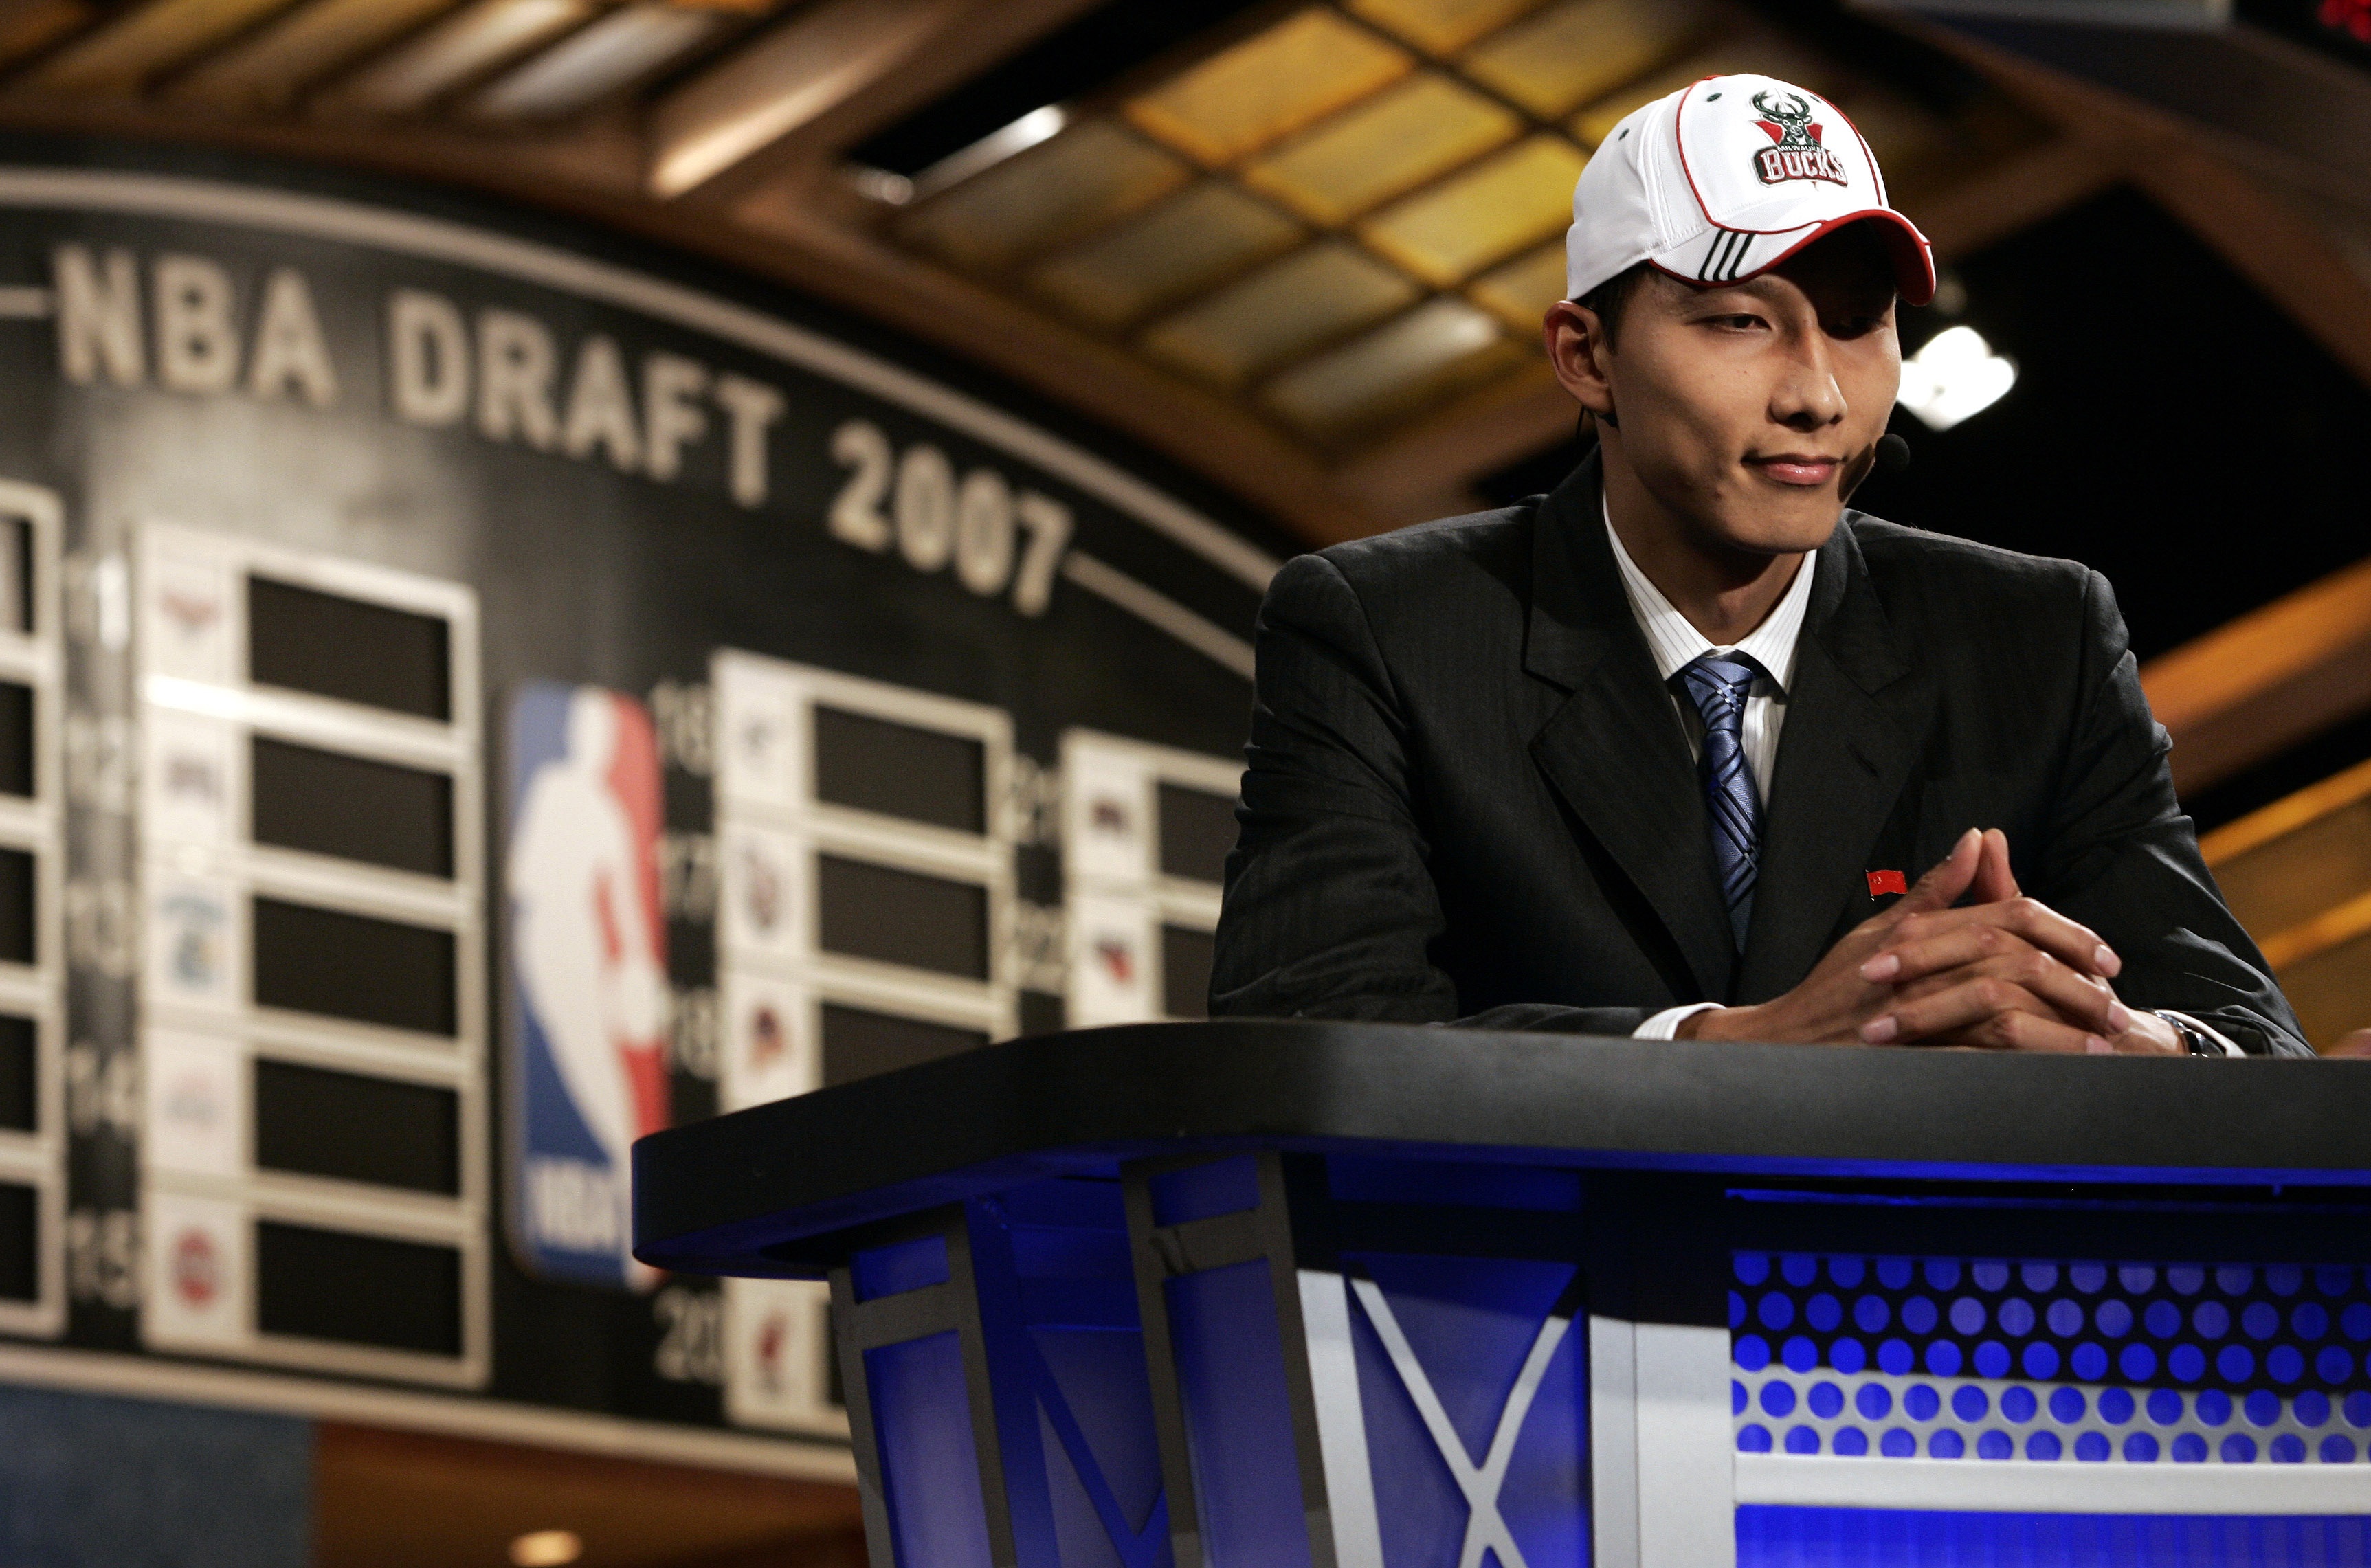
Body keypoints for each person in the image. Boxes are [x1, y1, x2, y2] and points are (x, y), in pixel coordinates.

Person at [1210, 71, 2308, 1057]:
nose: (1817, 395)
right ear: (1584, 355)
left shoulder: (2035, 634)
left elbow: (2247, 1033)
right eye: (1741, 321)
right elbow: (1303, 1037)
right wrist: (1734, 1046)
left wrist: (2133, 1047)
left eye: (1857, 324)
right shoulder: (1385, 626)